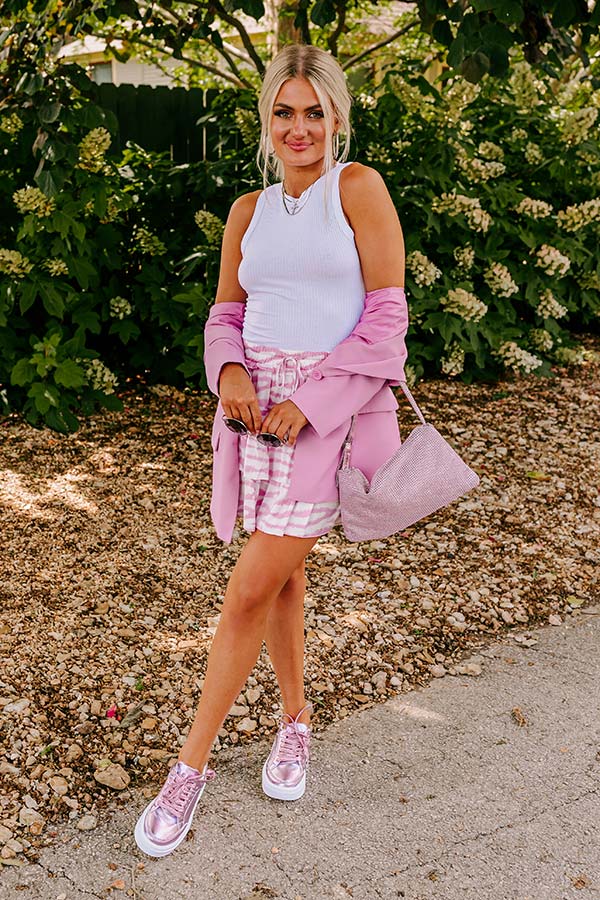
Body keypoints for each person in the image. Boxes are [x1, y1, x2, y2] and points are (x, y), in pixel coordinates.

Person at [134, 42, 408, 859]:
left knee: (248, 589)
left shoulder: (356, 190)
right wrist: (229, 375)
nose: (300, 128)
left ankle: (188, 769)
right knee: (281, 575)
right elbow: (225, 315)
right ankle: (296, 723)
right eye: (284, 112)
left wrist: (309, 402)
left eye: (314, 112)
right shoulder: (247, 212)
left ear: (337, 116)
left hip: (326, 418)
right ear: (267, 117)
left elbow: (386, 323)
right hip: (251, 419)